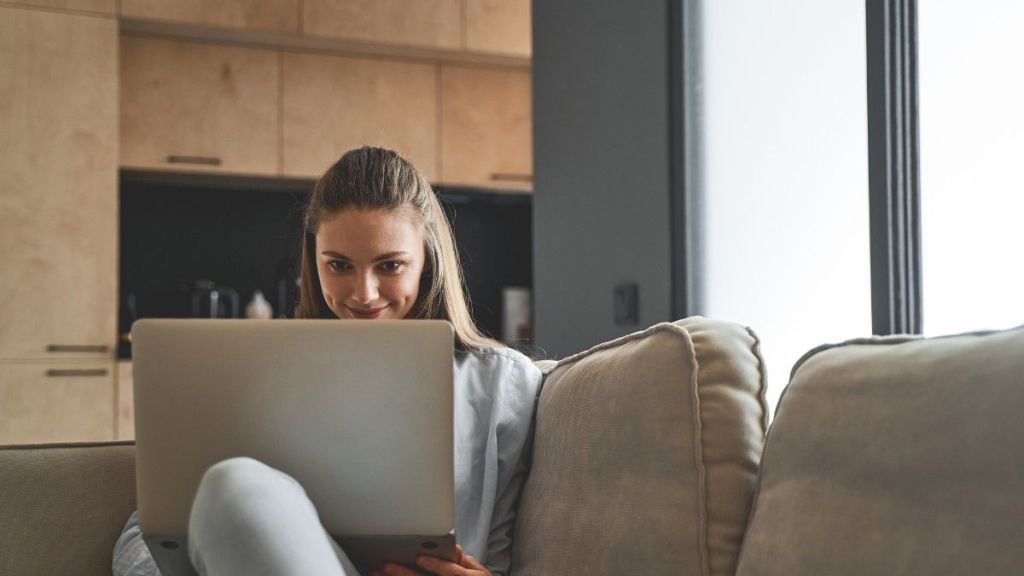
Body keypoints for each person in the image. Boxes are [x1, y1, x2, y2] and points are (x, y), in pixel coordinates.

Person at [113, 147, 543, 576]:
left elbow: (503, 556)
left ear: (428, 260)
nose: (364, 294)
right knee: (233, 488)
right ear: (313, 262)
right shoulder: (251, 366)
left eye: (390, 265)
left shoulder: (502, 384)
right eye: (339, 265)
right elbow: (145, 537)